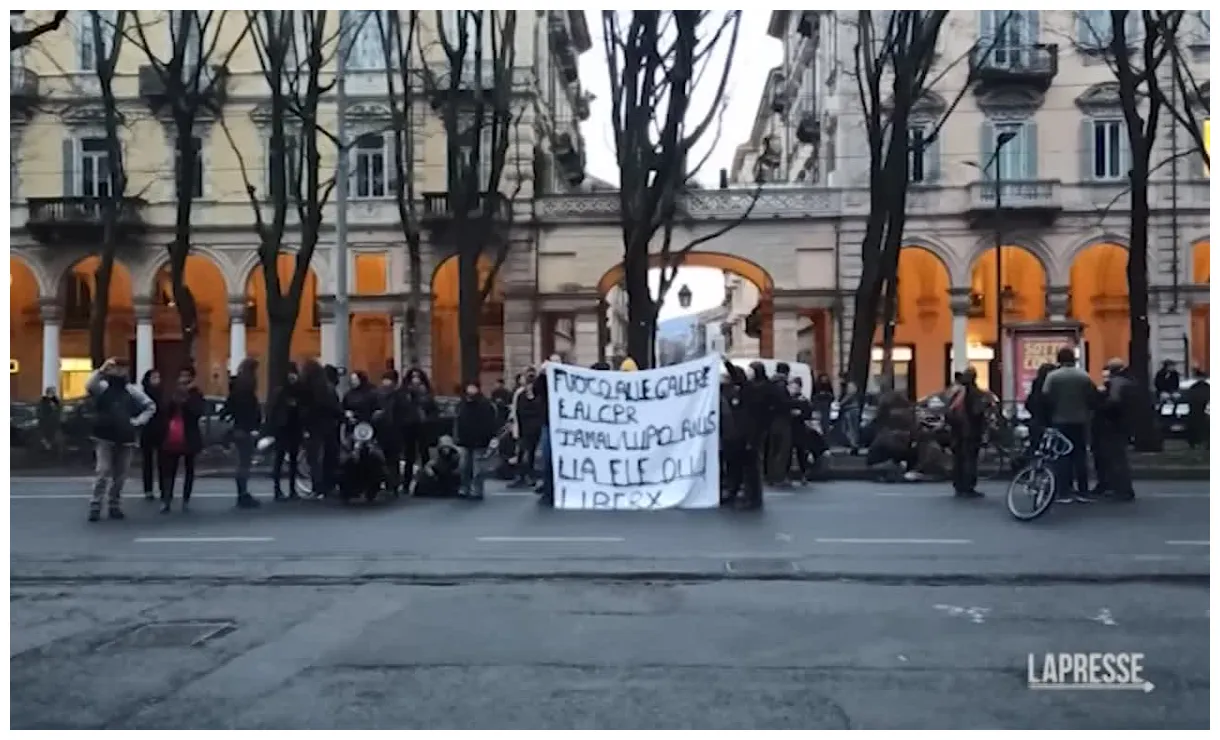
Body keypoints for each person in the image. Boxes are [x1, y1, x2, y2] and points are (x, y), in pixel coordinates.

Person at [84, 358, 156, 521]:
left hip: (125, 437)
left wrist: (137, 421)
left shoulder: (131, 390)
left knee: (120, 475)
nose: (119, 371)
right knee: (103, 471)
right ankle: (95, 505)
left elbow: (150, 406)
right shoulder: (103, 387)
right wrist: (102, 369)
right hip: (104, 435)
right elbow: (89, 385)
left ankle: (114, 505)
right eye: (117, 367)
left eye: (123, 368)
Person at [1040, 346, 1099, 503]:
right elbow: (1092, 396)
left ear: (1059, 359)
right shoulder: (1083, 375)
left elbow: (1045, 397)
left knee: (1062, 456)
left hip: (1059, 420)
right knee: (1080, 455)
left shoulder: (1053, 376)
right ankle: (1083, 490)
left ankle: (1064, 491)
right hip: (1080, 419)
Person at [157, 366, 206, 513]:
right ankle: (166, 499)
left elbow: (198, 412)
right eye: (181, 375)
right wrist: (175, 400)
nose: (184, 379)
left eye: (187, 376)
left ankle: (186, 499)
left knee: (189, 468)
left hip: (189, 435)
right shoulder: (172, 392)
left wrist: (186, 401)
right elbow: (164, 411)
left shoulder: (196, 394)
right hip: (172, 434)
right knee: (169, 469)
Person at [722, 360, 766, 509]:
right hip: (737, 435)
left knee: (750, 469)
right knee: (736, 466)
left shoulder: (750, 390)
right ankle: (735, 492)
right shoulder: (739, 390)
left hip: (749, 435)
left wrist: (726, 362)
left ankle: (753, 498)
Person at [1093, 358, 1136, 501]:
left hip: (1113, 425)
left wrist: (1100, 407)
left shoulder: (1117, 382)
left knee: (1115, 458)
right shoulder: (1129, 381)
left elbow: (1114, 402)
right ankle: (1120, 488)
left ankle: (1122, 489)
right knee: (1118, 457)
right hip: (1123, 424)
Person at [222, 358, 263, 509]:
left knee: (242, 463)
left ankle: (242, 493)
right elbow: (253, 411)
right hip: (246, 430)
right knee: (244, 463)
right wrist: (256, 426)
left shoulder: (236, 388)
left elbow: (228, 408)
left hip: (238, 428)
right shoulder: (248, 390)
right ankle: (243, 494)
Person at [301, 359, 342, 498]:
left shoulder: (305, 389)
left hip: (312, 427)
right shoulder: (326, 389)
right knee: (329, 456)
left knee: (314, 459)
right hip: (328, 426)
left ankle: (317, 486)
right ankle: (328, 485)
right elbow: (334, 408)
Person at [945, 366, 986, 498]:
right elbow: (976, 411)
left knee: (959, 459)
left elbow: (948, 410)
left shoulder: (957, 391)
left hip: (957, 430)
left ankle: (959, 485)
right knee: (970, 459)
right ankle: (968, 486)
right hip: (970, 431)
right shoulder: (974, 392)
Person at [453, 380, 498, 500]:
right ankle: (465, 487)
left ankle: (476, 489)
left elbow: (490, 423)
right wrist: (456, 437)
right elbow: (458, 422)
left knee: (478, 467)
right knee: (464, 466)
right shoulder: (462, 404)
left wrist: (489, 437)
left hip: (480, 440)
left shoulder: (485, 404)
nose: (471, 390)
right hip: (464, 439)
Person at [267, 362, 306, 500]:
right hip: (283, 429)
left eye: (294, 373)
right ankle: (278, 489)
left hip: (294, 427)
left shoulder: (299, 390)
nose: (292, 376)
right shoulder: (280, 391)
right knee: (280, 459)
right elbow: (273, 410)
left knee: (293, 460)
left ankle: (291, 489)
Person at [400, 368, 438, 477]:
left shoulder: (426, 393)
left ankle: (426, 478)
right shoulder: (405, 393)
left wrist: (428, 420)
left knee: (424, 453)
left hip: (423, 426)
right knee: (409, 455)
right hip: (408, 426)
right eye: (413, 377)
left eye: (418, 377)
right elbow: (401, 408)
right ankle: (407, 480)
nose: (415, 380)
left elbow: (433, 410)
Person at [374, 369, 407, 494]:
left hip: (394, 431)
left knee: (393, 459)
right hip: (381, 430)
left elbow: (402, 413)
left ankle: (393, 484)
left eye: (389, 380)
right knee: (381, 458)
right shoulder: (377, 395)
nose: (386, 382)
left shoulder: (399, 396)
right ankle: (383, 482)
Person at [534, 355, 560, 504]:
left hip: (563, 425)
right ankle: (548, 491)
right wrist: (542, 374)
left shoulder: (566, 378)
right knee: (548, 458)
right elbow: (537, 390)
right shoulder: (544, 381)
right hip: (549, 424)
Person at [510, 379, 544, 488]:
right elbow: (519, 412)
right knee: (522, 452)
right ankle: (521, 476)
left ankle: (529, 475)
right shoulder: (522, 396)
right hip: (523, 429)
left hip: (535, 430)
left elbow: (540, 411)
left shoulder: (539, 397)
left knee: (530, 453)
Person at [136, 371, 162, 500]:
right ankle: (148, 489)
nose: (157, 380)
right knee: (147, 461)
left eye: (158, 377)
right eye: (154, 377)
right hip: (146, 430)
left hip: (160, 430)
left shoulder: (162, 394)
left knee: (162, 461)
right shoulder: (142, 396)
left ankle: (163, 488)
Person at [1184, 371, 1209, 450]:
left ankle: (1194, 442)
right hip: (1202, 410)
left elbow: (1189, 397)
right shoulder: (1206, 387)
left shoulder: (1193, 387)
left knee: (1194, 427)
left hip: (1195, 410)